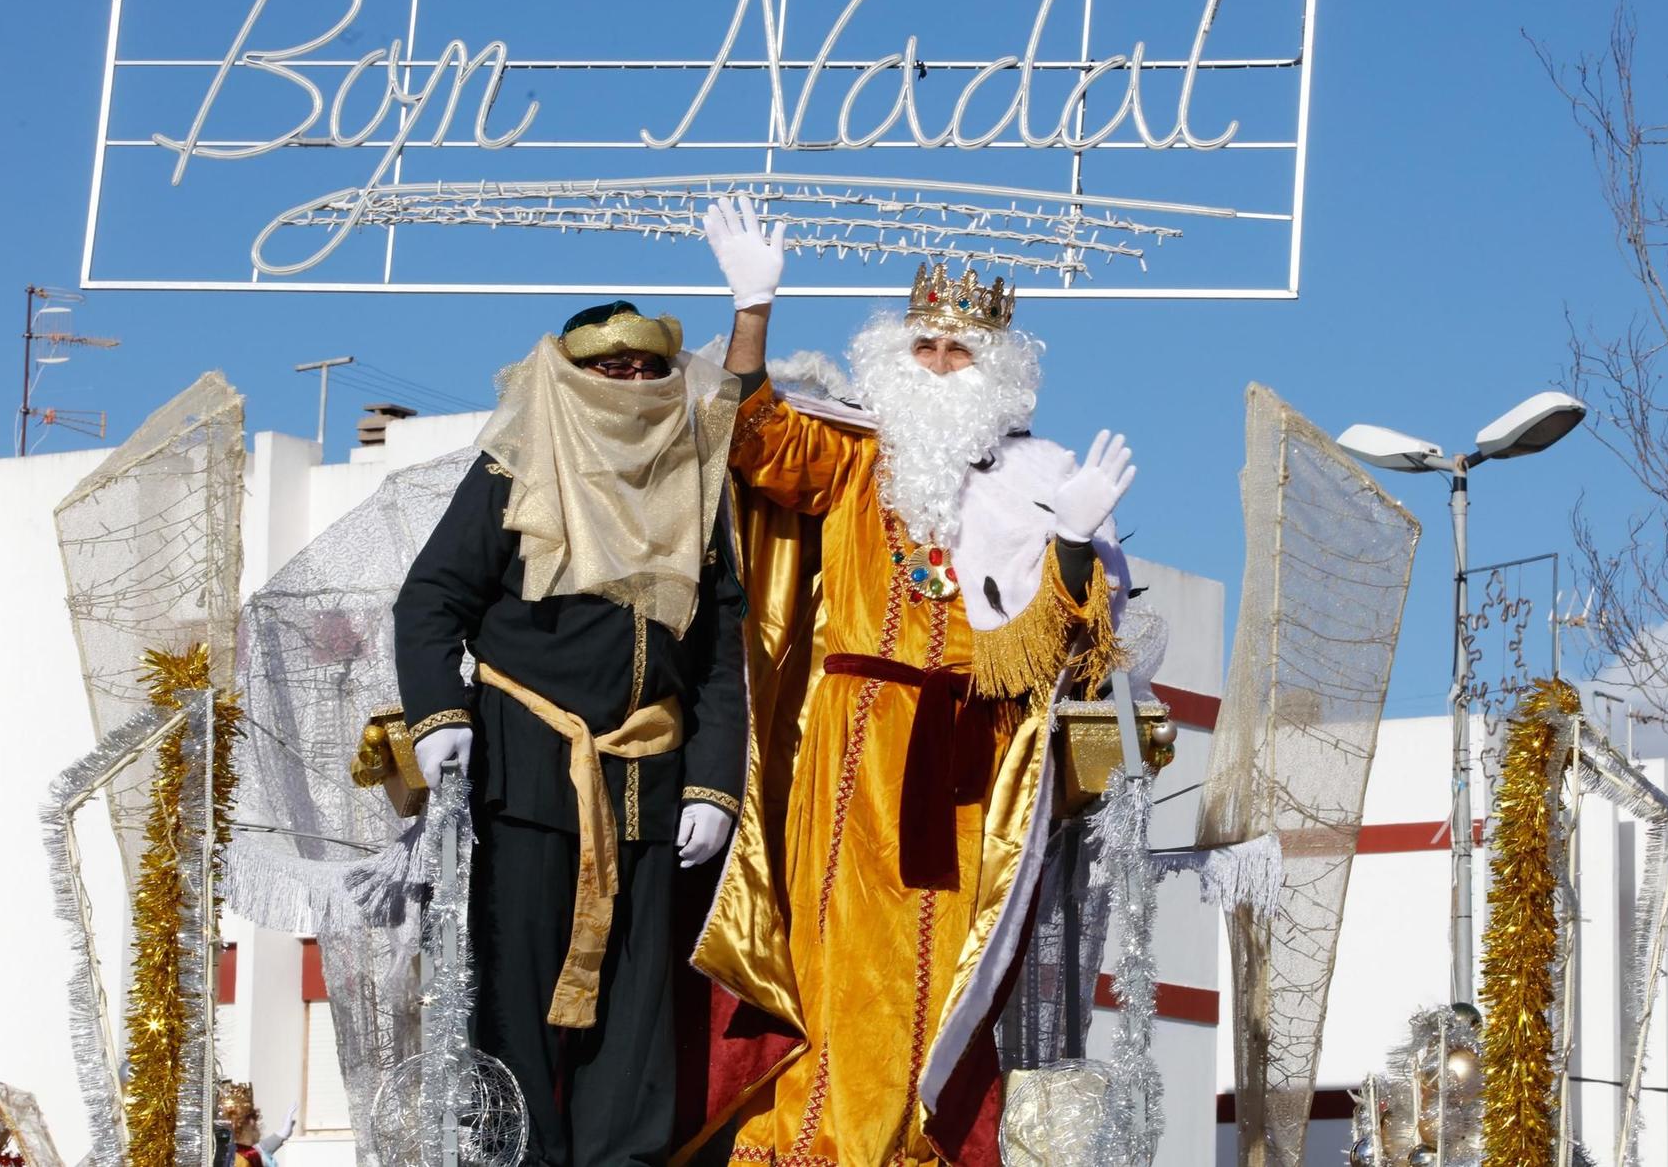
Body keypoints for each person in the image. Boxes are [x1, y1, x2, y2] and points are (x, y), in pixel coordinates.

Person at [682, 198, 1136, 1165]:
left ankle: (904, 1144)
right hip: (845, 749)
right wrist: (753, 308)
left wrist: (1069, 545)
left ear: (999, 373)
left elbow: (1073, 651)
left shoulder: (1041, 480)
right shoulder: (851, 453)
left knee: (938, 971)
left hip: (965, 760)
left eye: (958, 352)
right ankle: (812, 1144)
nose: (935, 365)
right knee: (832, 955)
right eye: (923, 344)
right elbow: (752, 442)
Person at [394, 302, 749, 1167]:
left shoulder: (698, 486)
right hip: (527, 776)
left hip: (651, 787)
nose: (631, 382)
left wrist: (713, 782)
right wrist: (440, 714)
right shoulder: (512, 466)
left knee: (637, 1020)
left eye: (647, 368)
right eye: (610, 367)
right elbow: (432, 599)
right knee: (515, 997)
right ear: (570, 374)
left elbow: (720, 657)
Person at [216, 1083, 296, 1167]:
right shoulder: (241, 1158)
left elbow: (261, 1149)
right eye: (251, 1116)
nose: (254, 1122)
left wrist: (282, 1134)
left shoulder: (235, 1152)